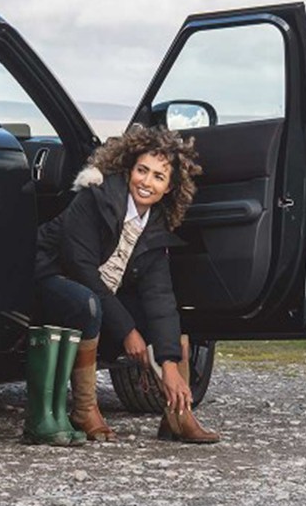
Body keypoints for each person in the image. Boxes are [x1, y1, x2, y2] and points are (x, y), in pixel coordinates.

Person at [28, 125, 218, 444]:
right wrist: (128, 331)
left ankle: (178, 417)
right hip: (49, 279)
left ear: (170, 187)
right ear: (129, 168)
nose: (147, 181)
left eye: (159, 176)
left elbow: (159, 296)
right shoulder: (96, 197)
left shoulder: (155, 226)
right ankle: (84, 409)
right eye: (142, 170)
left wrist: (169, 364)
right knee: (87, 302)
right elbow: (82, 270)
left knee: (167, 327)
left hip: (98, 296)